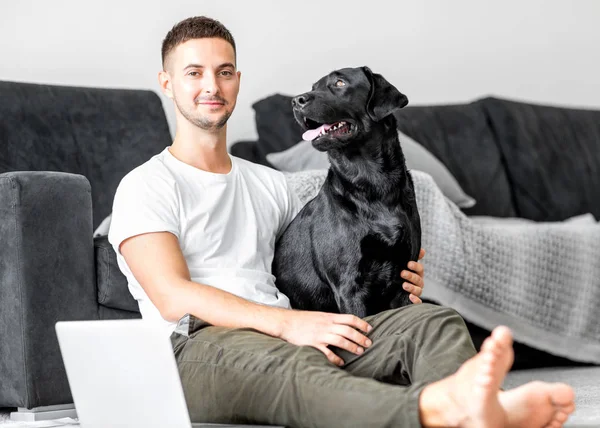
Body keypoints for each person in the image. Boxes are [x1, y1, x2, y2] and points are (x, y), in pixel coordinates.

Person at [108, 16, 575, 428]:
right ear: (167, 83)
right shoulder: (146, 185)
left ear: (236, 80)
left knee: (434, 322)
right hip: (194, 351)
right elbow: (172, 296)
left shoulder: (270, 186)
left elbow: (333, 245)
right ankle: (441, 409)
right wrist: (287, 326)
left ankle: (480, 411)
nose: (211, 85)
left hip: (293, 333)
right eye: (194, 72)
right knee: (297, 370)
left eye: (223, 71)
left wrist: (398, 270)